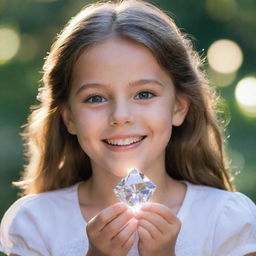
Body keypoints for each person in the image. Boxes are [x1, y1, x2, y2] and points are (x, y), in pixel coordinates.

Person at [1, 0, 256, 255]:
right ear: (69, 118)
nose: (120, 116)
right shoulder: (34, 223)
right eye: (95, 98)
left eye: (144, 94)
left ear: (178, 107)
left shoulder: (226, 220)